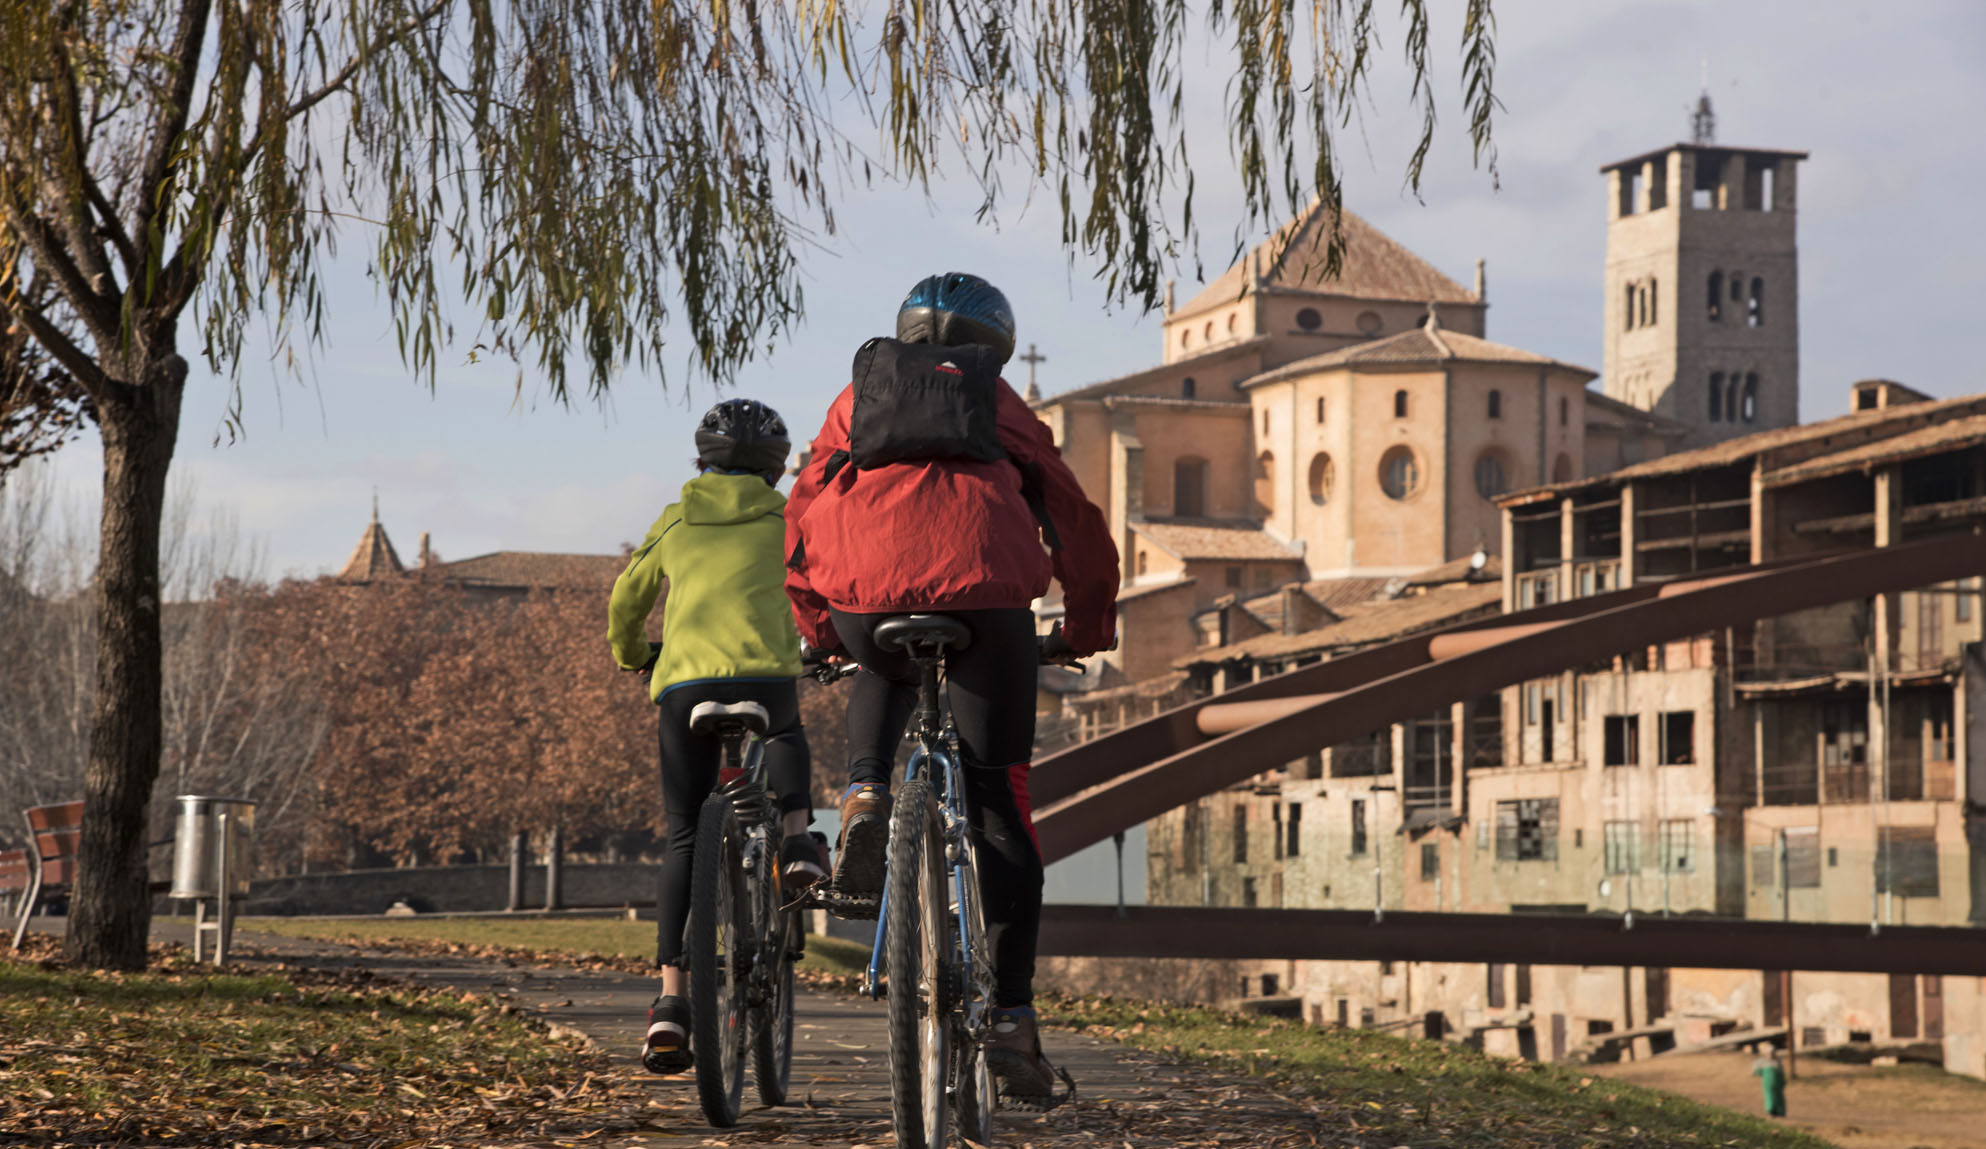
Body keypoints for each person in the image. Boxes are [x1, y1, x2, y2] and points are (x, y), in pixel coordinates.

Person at [784, 272, 1119, 1102]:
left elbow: (802, 511)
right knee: (999, 801)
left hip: (865, 599)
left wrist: (822, 627)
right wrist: (1085, 629)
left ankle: (864, 793)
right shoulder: (999, 401)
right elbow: (1073, 516)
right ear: (993, 345)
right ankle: (1011, 1018)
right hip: (987, 597)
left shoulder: (854, 395)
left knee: (880, 661)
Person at [608, 397, 828, 1075]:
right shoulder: (793, 516)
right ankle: (795, 836)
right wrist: (821, 644)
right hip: (766, 676)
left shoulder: (677, 516)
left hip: (685, 686)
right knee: (786, 728)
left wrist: (633, 654)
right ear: (773, 467)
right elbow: (824, 585)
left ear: (702, 459)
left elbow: (626, 599)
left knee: (683, 834)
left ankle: (672, 1002)